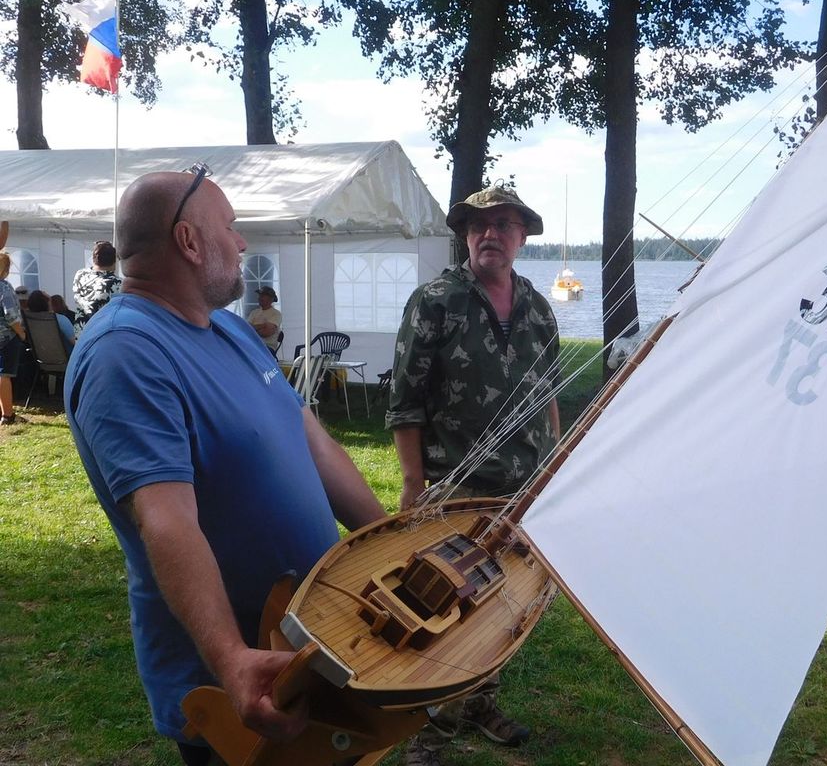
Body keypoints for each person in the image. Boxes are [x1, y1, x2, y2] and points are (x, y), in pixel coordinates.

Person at [64, 168, 387, 766]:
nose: (242, 243)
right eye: (231, 227)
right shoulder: (125, 352)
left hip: (315, 641)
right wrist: (232, 658)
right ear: (188, 241)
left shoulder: (232, 330)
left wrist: (390, 543)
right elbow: (167, 521)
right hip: (247, 684)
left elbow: (314, 445)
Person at [386, 185, 561, 766]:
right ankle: (428, 737)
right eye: (480, 225)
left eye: (505, 224)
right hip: (456, 488)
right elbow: (405, 402)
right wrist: (414, 485)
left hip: (524, 490)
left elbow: (549, 392)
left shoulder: (539, 309)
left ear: (522, 236)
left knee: (508, 607)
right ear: (465, 235)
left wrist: (554, 463)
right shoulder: (435, 301)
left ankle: (483, 703)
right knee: (452, 613)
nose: (492, 234)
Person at [0, 253, 28, 426]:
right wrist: (21, 333)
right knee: (4, 375)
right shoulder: (4, 288)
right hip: (6, 337)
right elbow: (10, 315)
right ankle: (8, 415)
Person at [72, 239, 122, 332]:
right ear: (114, 260)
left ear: (93, 259)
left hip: (81, 333)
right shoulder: (118, 283)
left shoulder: (80, 275)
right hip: (101, 334)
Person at [27, 289, 76, 354]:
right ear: (48, 303)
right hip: (67, 358)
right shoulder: (59, 319)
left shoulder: (31, 321)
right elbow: (76, 343)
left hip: (44, 358)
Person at [247, 285, 282, 352]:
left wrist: (253, 328)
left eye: (263, 296)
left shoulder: (276, 314)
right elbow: (247, 329)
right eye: (259, 295)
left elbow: (266, 333)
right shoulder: (254, 312)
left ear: (271, 299)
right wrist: (263, 325)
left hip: (267, 348)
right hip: (252, 345)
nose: (259, 298)